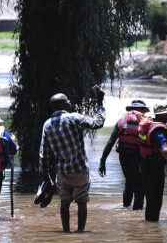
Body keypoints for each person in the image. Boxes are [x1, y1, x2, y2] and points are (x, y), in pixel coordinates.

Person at [39, 88, 105, 233]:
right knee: (81, 202)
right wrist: (100, 103)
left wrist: (47, 179)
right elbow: (97, 123)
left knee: (64, 203)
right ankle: (80, 233)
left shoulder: (47, 124)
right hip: (80, 169)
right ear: (63, 105)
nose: (70, 102)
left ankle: (66, 233)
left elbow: (44, 155)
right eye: (67, 100)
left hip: (62, 172)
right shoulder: (74, 118)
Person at [98, 100, 149, 210]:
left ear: (131, 109)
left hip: (124, 156)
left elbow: (110, 142)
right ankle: (136, 215)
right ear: (142, 110)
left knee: (129, 181)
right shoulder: (146, 121)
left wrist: (103, 161)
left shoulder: (121, 121)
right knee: (139, 187)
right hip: (138, 157)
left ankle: (125, 208)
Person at [138, 102, 167, 222]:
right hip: (155, 167)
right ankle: (153, 228)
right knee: (156, 199)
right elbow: (166, 152)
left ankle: (149, 228)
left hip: (145, 165)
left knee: (150, 199)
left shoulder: (150, 125)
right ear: (163, 115)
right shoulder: (159, 130)